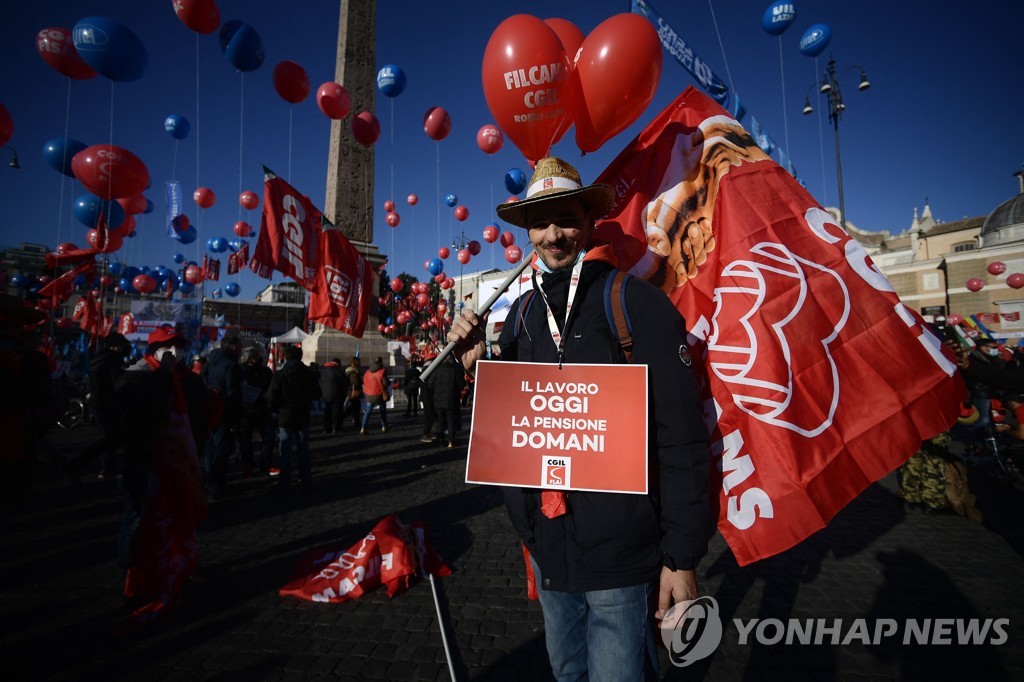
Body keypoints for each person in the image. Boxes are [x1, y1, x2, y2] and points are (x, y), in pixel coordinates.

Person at [447, 157, 711, 680]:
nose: (553, 234)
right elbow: (515, 431)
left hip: (622, 555)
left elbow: (682, 441)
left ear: (589, 222)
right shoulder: (521, 316)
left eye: (565, 219)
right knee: (567, 674)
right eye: (540, 223)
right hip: (549, 552)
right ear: (527, 233)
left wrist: (681, 558)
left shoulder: (636, 304)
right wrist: (481, 368)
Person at [114, 324, 208, 618]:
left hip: (178, 465)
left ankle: (175, 565)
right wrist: (165, 377)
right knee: (138, 520)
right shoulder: (136, 378)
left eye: (179, 346)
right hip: (143, 462)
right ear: (153, 350)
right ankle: (135, 575)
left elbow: (197, 414)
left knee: (177, 516)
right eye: (168, 346)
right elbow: (133, 419)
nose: (175, 352)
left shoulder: (185, 380)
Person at [0, 295, 51, 511]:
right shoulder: (17, 364)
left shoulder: (19, 361)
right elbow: (31, 396)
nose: (18, 332)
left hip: (14, 444)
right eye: (13, 327)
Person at [67, 332, 131, 482]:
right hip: (106, 402)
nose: (127, 348)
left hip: (99, 402)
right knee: (112, 437)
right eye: (124, 345)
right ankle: (79, 462)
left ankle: (107, 468)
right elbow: (118, 382)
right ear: (115, 347)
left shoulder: (100, 358)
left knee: (112, 437)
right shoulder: (111, 360)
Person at [267, 344, 321, 492]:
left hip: (285, 416)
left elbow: (271, 397)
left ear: (286, 357)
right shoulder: (308, 374)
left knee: (285, 450)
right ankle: (306, 479)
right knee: (303, 449)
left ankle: (284, 482)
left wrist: (278, 407)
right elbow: (317, 394)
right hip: (303, 415)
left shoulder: (280, 375)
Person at [201, 333, 243, 498]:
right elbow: (234, 391)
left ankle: (210, 481)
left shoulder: (212, 362)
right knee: (221, 449)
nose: (241, 350)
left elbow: (203, 379)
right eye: (239, 346)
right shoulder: (231, 365)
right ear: (233, 347)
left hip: (212, 408)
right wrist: (237, 415)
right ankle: (216, 485)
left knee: (211, 448)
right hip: (225, 411)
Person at [238, 346, 277, 476]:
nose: (255, 359)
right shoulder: (240, 371)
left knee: (269, 438)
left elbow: (272, 388)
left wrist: (267, 398)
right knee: (245, 440)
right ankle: (248, 465)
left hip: (263, 408)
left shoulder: (265, 371)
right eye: (253, 357)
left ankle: (265, 464)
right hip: (245, 410)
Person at [427, 354, 464, 448]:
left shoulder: (436, 371)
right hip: (451, 400)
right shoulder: (454, 371)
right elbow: (461, 384)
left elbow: (430, 385)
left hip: (438, 400)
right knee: (450, 421)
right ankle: (451, 441)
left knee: (440, 421)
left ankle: (441, 440)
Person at [360, 357, 390, 434]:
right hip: (379, 394)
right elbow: (385, 383)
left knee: (368, 412)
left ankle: (363, 428)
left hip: (369, 394)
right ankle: (384, 426)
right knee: (382, 411)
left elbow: (364, 381)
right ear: (381, 363)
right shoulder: (382, 371)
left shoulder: (367, 372)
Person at [319, 357, 346, 434]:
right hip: (336, 394)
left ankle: (326, 428)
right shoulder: (337, 371)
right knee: (336, 412)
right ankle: (336, 428)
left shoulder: (323, 370)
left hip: (326, 394)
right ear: (338, 363)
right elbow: (343, 383)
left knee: (327, 412)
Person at [341, 357, 363, 430]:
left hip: (350, 392)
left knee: (353, 407)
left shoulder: (348, 371)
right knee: (354, 408)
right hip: (354, 392)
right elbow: (356, 383)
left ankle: (356, 422)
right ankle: (356, 422)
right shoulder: (354, 373)